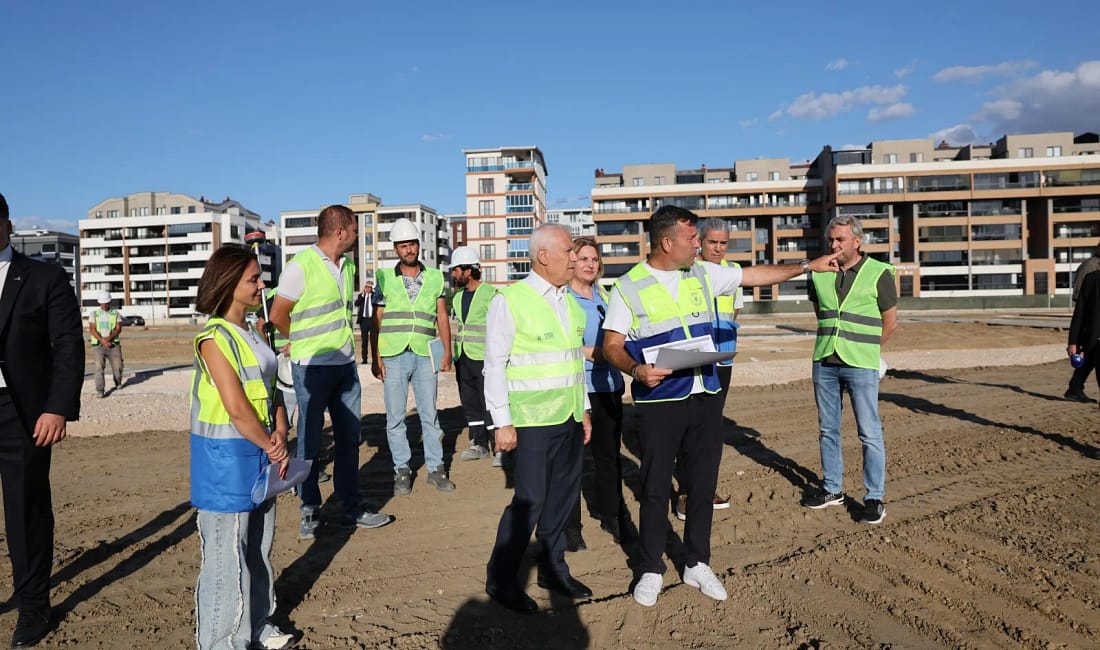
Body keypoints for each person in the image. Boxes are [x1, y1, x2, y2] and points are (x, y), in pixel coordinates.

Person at [601, 206, 837, 607]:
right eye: (692, 239)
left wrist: (807, 266)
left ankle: (696, 562)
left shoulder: (702, 273)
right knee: (656, 488)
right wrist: (637, 371)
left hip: (706, 394)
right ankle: (650, 568)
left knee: (702, 485)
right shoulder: (628, 286)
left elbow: (755, 275)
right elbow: (611, 346)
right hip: (660, 401)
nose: (700, 244)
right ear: (667, 242)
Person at [190, 244, 295, 650]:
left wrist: (281, 432)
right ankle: (220, 642)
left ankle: (256, 625)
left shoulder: (254, 330)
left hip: (261, 456)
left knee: (257, 550)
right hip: (226, 463)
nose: (261, 284)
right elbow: (235, 406)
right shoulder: (213, 338)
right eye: (253, 278)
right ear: (229, 282)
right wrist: (273, 445)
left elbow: (270, 391)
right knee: (225, 561)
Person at [484, 224, 593, 613]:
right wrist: (502, 421)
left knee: (563, 498)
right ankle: (501, 578)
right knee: (529, 501)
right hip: (530, 420)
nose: (575, 259)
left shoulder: (568, 300)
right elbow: (494, 364)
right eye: (569, 251)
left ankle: (552, 567)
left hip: (567, 415)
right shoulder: (511, 300)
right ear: (544, 255)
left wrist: (583, 409)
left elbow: (572, 359)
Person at [269, 205, 391, 540]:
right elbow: (278, 313)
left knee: (350, 438)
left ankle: (352, 506)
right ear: (340, 231)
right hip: (311, 369)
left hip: (345, 367)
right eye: (354, 230)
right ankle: (309, 508)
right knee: (309, 441)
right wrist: (298, 341)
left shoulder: (348, 265)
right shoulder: (301, 266)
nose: (356, 235)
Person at [0, 192, 83, 647]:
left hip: (21, 413)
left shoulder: (44, 277)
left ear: (6, 225)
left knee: (26, 512)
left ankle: (33, 606)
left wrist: (57, 407)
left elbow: (68, 346)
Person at [802, 215, 898, 527]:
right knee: (827, 429)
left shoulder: (879, 273)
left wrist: (870, 352)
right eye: (830, 239)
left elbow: (890, 321)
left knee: (869, 432)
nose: (833, 245)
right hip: (825, 361)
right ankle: (832, 490)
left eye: (840, 240)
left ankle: (874, 497)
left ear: (857, 242)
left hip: (861, 364)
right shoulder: (817, 273)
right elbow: (821, 314)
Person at [371, 218, 455, 494]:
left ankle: (435, 468)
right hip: (393, 354)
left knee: (429, 415)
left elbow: (441, 315)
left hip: (423, 354)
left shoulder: (434, 277)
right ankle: (402, 470)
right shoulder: (384, 278)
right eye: (403, 245)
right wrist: (375, 356)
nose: (409, 249)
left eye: (412, 244)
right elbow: (377, 319)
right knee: (395, 418)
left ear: (419, 246)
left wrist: (446, 351)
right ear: (396, 249)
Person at [563, 237, 629, 551]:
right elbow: (554, 346)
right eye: (584, 258)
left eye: (594, 259)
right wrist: (585, 351)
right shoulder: (562, 300)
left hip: (609, 388)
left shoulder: (605, 297)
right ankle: (571, 528)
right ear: (571, 262)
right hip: (578, 389)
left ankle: (611, 514)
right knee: (572, 463)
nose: (590, 264)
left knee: (608, 458)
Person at [673, 218, 742, 519]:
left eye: (723, 243)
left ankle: (706, 488)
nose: (718, 248)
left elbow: (734, 311)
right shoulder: (687, 271)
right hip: (692, 361)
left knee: (712, 431)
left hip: (722, 361)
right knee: (688, 429)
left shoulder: (733, 273)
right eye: (712, 242)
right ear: (700, 241)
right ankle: (686, 492)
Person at [450, 246, 499, 463]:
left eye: (456, 270)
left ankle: (499, 447)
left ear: (468, 271)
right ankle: (479, 443)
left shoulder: (492, 295)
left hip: (485, 358)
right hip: (463, 358)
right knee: (470, 403)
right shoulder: (457, 298)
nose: (453, 274)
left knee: (490, 401)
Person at [1065, 244, 1100, 403]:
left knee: (1089, 359)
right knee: (1089, 356)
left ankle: (1075, 388)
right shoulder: (1091, 269)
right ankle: (1075, 388)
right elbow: (1081, 303)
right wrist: (1074, 340)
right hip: (1091, 324)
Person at [88, 291, 124, 398]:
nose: (104, 305)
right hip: (98, 345)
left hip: (113, 345)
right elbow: (92, 329)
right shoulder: (94, 314)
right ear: (99, 303)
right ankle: (100, 389)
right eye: (102, 303)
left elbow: (118, 329)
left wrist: (109, 339)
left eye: (106, 303)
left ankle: (118, 381)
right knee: (99, 367)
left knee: (118, 366)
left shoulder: (115, 313)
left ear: (110, 302)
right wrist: (102, 340)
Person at [354, 281, 374, 365]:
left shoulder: (374, 296)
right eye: (366, 287)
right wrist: (362, 295)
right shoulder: (361, 296)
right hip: (364, 321)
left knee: (374, 341)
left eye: (369, 287)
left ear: (371, 288)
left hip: (372, 320)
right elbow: (356, 303)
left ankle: (375, 359)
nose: (367, 288)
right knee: (364, 341)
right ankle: (364, 359)